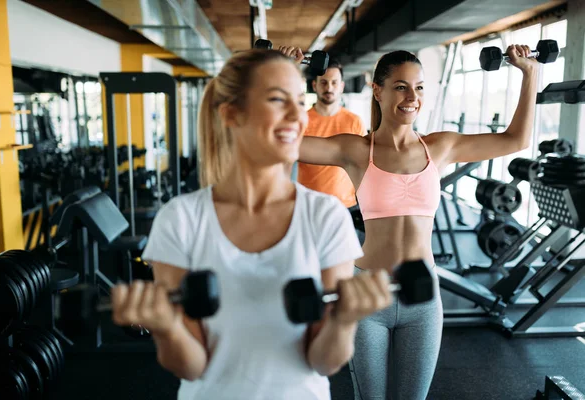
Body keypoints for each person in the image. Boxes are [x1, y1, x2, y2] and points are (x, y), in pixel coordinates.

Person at [109, 49, 394, 400]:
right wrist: (166, 327)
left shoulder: (326, 217)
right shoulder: (180, 219)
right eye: (277, 100)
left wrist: (345, 320)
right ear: (232, 114)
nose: (298, 116)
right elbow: (191, 367)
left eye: (298, 99)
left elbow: (323, 362)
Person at [284, 44, 538, 400]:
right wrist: (283, 75)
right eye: (401, 86)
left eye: (419, 87)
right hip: (369, 296)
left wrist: (530, 73)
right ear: (378, 90)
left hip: (423, 301)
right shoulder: (356, 150)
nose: (411, 97)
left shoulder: (440, 146)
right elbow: (280, 142)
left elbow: (517, 139)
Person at [292, 53, 367, 209]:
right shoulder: (301, 121)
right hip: (309, 205)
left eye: (334, 82)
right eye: (324, 82)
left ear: (341, 86)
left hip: (347, 206)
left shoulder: (355, 121)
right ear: (314, 86)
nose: (329, 88)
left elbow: (362, 165)